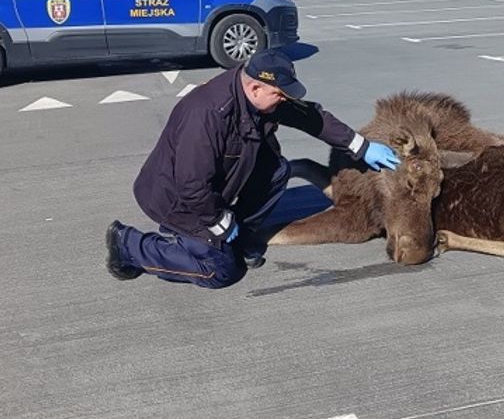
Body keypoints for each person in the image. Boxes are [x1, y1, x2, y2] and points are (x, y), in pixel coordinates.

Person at [105, 50, 400, 288]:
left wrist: (359, 145)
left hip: (210, 186)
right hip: (177, 201)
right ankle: (129, 245)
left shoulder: (260, 97)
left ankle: (240, 236)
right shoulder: (207, 115)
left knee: (276, 171)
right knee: (220, 271)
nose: (284, 101)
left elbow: (311, 117)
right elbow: (191, 185)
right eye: (280, 95)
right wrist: (218, 220)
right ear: (256, 87)